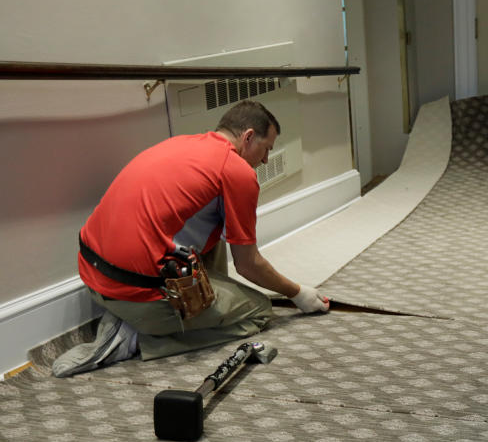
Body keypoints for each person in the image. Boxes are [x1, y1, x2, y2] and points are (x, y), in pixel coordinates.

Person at [53, 100, 330, 377]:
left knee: (216, 221)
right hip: (135, 294)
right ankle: (138, 339)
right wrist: (297, 293)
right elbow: (248, 264)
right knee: (259, 310)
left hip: (93, 275)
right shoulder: (237, 171)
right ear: (247, 137)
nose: (266, 160)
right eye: (266, 149)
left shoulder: (182, 143)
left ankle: (180, 308)